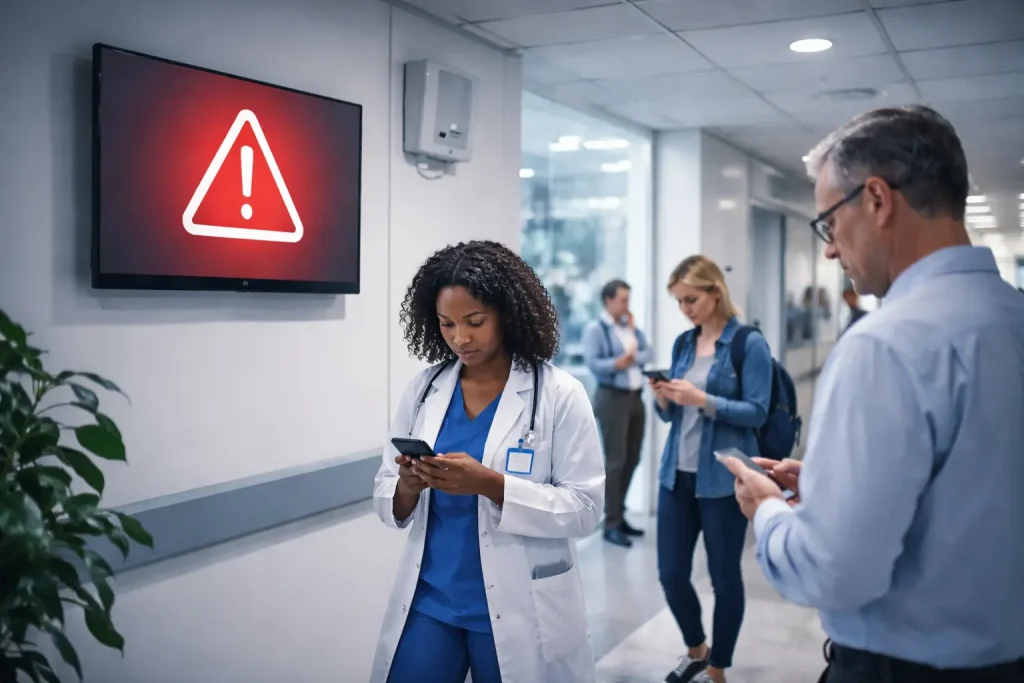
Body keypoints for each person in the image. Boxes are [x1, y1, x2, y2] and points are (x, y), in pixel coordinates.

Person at [722, 105, 1024, 683]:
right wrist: (831, 491)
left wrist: (767, 511)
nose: (830, 250)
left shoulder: (885, 346)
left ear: (879, 200)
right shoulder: (1011, 318)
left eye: (829, 223)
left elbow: (830, 572)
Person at [369, 240, 606, 683]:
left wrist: (490, 484)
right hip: (432, 601)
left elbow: (585, 509)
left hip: (522, 605)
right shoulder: (424, 390)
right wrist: (408, 485)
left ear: (507, 313)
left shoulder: (559, 395)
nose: (461, 337)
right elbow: (385, 491)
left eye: (475, 322)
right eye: (447, 324)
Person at [649, 255, 773, 683]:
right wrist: (664, 397)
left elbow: (757, 412)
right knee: (670, 574)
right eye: (680, 302)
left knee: (724, 577)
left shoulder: (748, 344)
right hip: (676, 476)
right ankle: (697, 650)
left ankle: (717, 668)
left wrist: (702, 400)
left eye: (691, 299)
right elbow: (670, 417)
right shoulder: (684, 343)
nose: (685, 309)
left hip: (724, 480)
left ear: (715, 293)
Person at [582, 279, 653, 547]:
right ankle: (611, 522)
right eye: (623, 300)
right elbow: (593, 363)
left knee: (633, 458)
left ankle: (619, 514)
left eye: (628, 300)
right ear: (608, 300)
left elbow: (649, 353)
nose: (627, 305)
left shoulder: (629, 328)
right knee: (616, 461)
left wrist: (631, 354)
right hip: (612, 399)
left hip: (636, 398)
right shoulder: (596, 329)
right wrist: (618, 363)